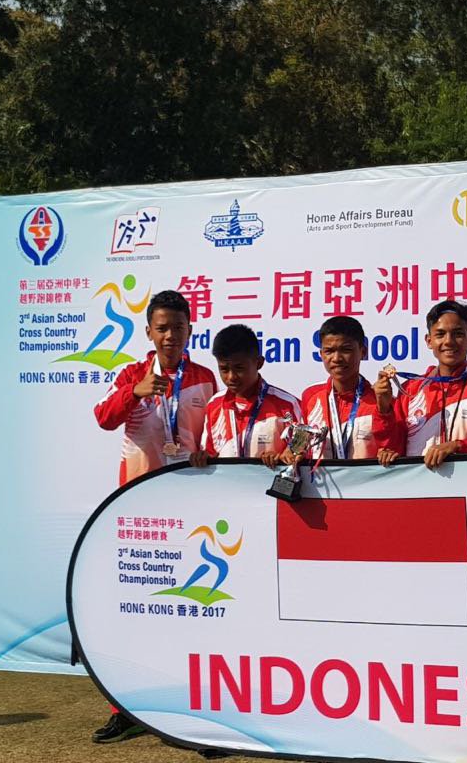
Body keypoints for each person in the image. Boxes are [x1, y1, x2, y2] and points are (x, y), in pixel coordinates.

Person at [92, 289, 216, 743]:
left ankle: (195, 708)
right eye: (161, 328)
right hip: (138, 509)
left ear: (189, 329)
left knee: (195, 609)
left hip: (192, 511)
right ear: (148, 332)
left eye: (178, 327)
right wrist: (135, 392)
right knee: (135, 612)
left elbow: (219, 434)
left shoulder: (205, 377)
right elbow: (103, 417)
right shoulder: (130, 374)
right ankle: (123, 707)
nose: (169, 335)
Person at [378, 300, 467, 469]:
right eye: (440, 334)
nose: (449, 341)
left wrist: (459, 447)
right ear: (429, 341)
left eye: (458, 334)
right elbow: (394, 446)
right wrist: (384, 410)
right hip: (420, 491)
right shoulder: (411, 390)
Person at [190, 324, 303, 466]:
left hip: (272, 486)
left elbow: (303, 446)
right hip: (227, 486)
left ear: (259, 363)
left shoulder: (286, 405)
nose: (231, 377)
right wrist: (203, 457)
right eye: (224, 369)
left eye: (239, 368)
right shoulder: (214, 405)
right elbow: (210, 452)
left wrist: (283, 457)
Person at [296, 316, 399, 461]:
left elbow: (394, 450)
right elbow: (299, 446)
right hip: (320, 484)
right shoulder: (310, 396)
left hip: (367, 483)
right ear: (321, 354)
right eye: (329, 351)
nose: (336, 358)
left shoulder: (381, 400)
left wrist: (384, 410)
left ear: (363, 351)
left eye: (346, 350)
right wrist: (291, 452)